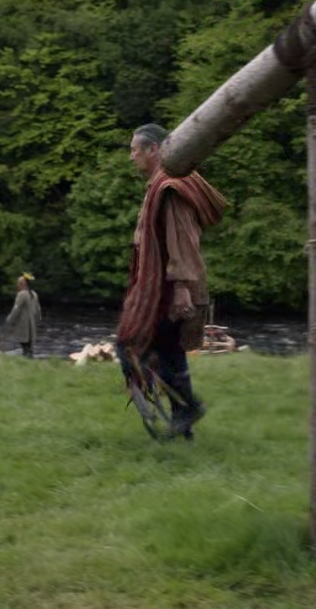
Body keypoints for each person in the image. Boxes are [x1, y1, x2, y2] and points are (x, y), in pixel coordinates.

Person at [116, 123, 227, 440]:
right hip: (159, 284)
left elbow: (184, 242)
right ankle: (184, 425)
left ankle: (187, 407)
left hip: (168, 288)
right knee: (169, 352)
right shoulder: (160, 185)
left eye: (135, 150)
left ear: (153, 150)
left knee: (129, 344)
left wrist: (181, 289)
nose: (131, 157)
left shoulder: (170, 189)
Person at [5, 272, 41, 358]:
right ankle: (29, 356)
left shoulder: (21, 294)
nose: (17, 285)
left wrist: (10, 319)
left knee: (24, 342)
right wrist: (37, 320)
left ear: (22, 284)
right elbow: (38, 309)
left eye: (18, 283)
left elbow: (16, 309)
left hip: (23, 323)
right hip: (31, 323)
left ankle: (27, 356)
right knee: (28, 343)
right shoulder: (34, 294)